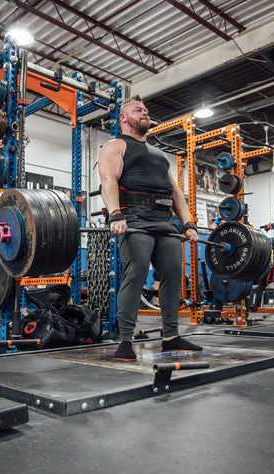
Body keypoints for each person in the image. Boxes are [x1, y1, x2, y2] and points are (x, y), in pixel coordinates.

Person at [98, 99, 203, 360]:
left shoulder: (159, 154)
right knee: (135, 275)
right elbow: (107, 179)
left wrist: (188, 222)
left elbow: (176, 191)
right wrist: (115, 213)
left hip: (164, 223)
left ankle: (171, 337)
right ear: (122, 117)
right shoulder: (115, 145)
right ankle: (125, 340)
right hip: (134, 221)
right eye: (138, 110)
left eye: (145, 110)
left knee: (173, 275)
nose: (144, 112)